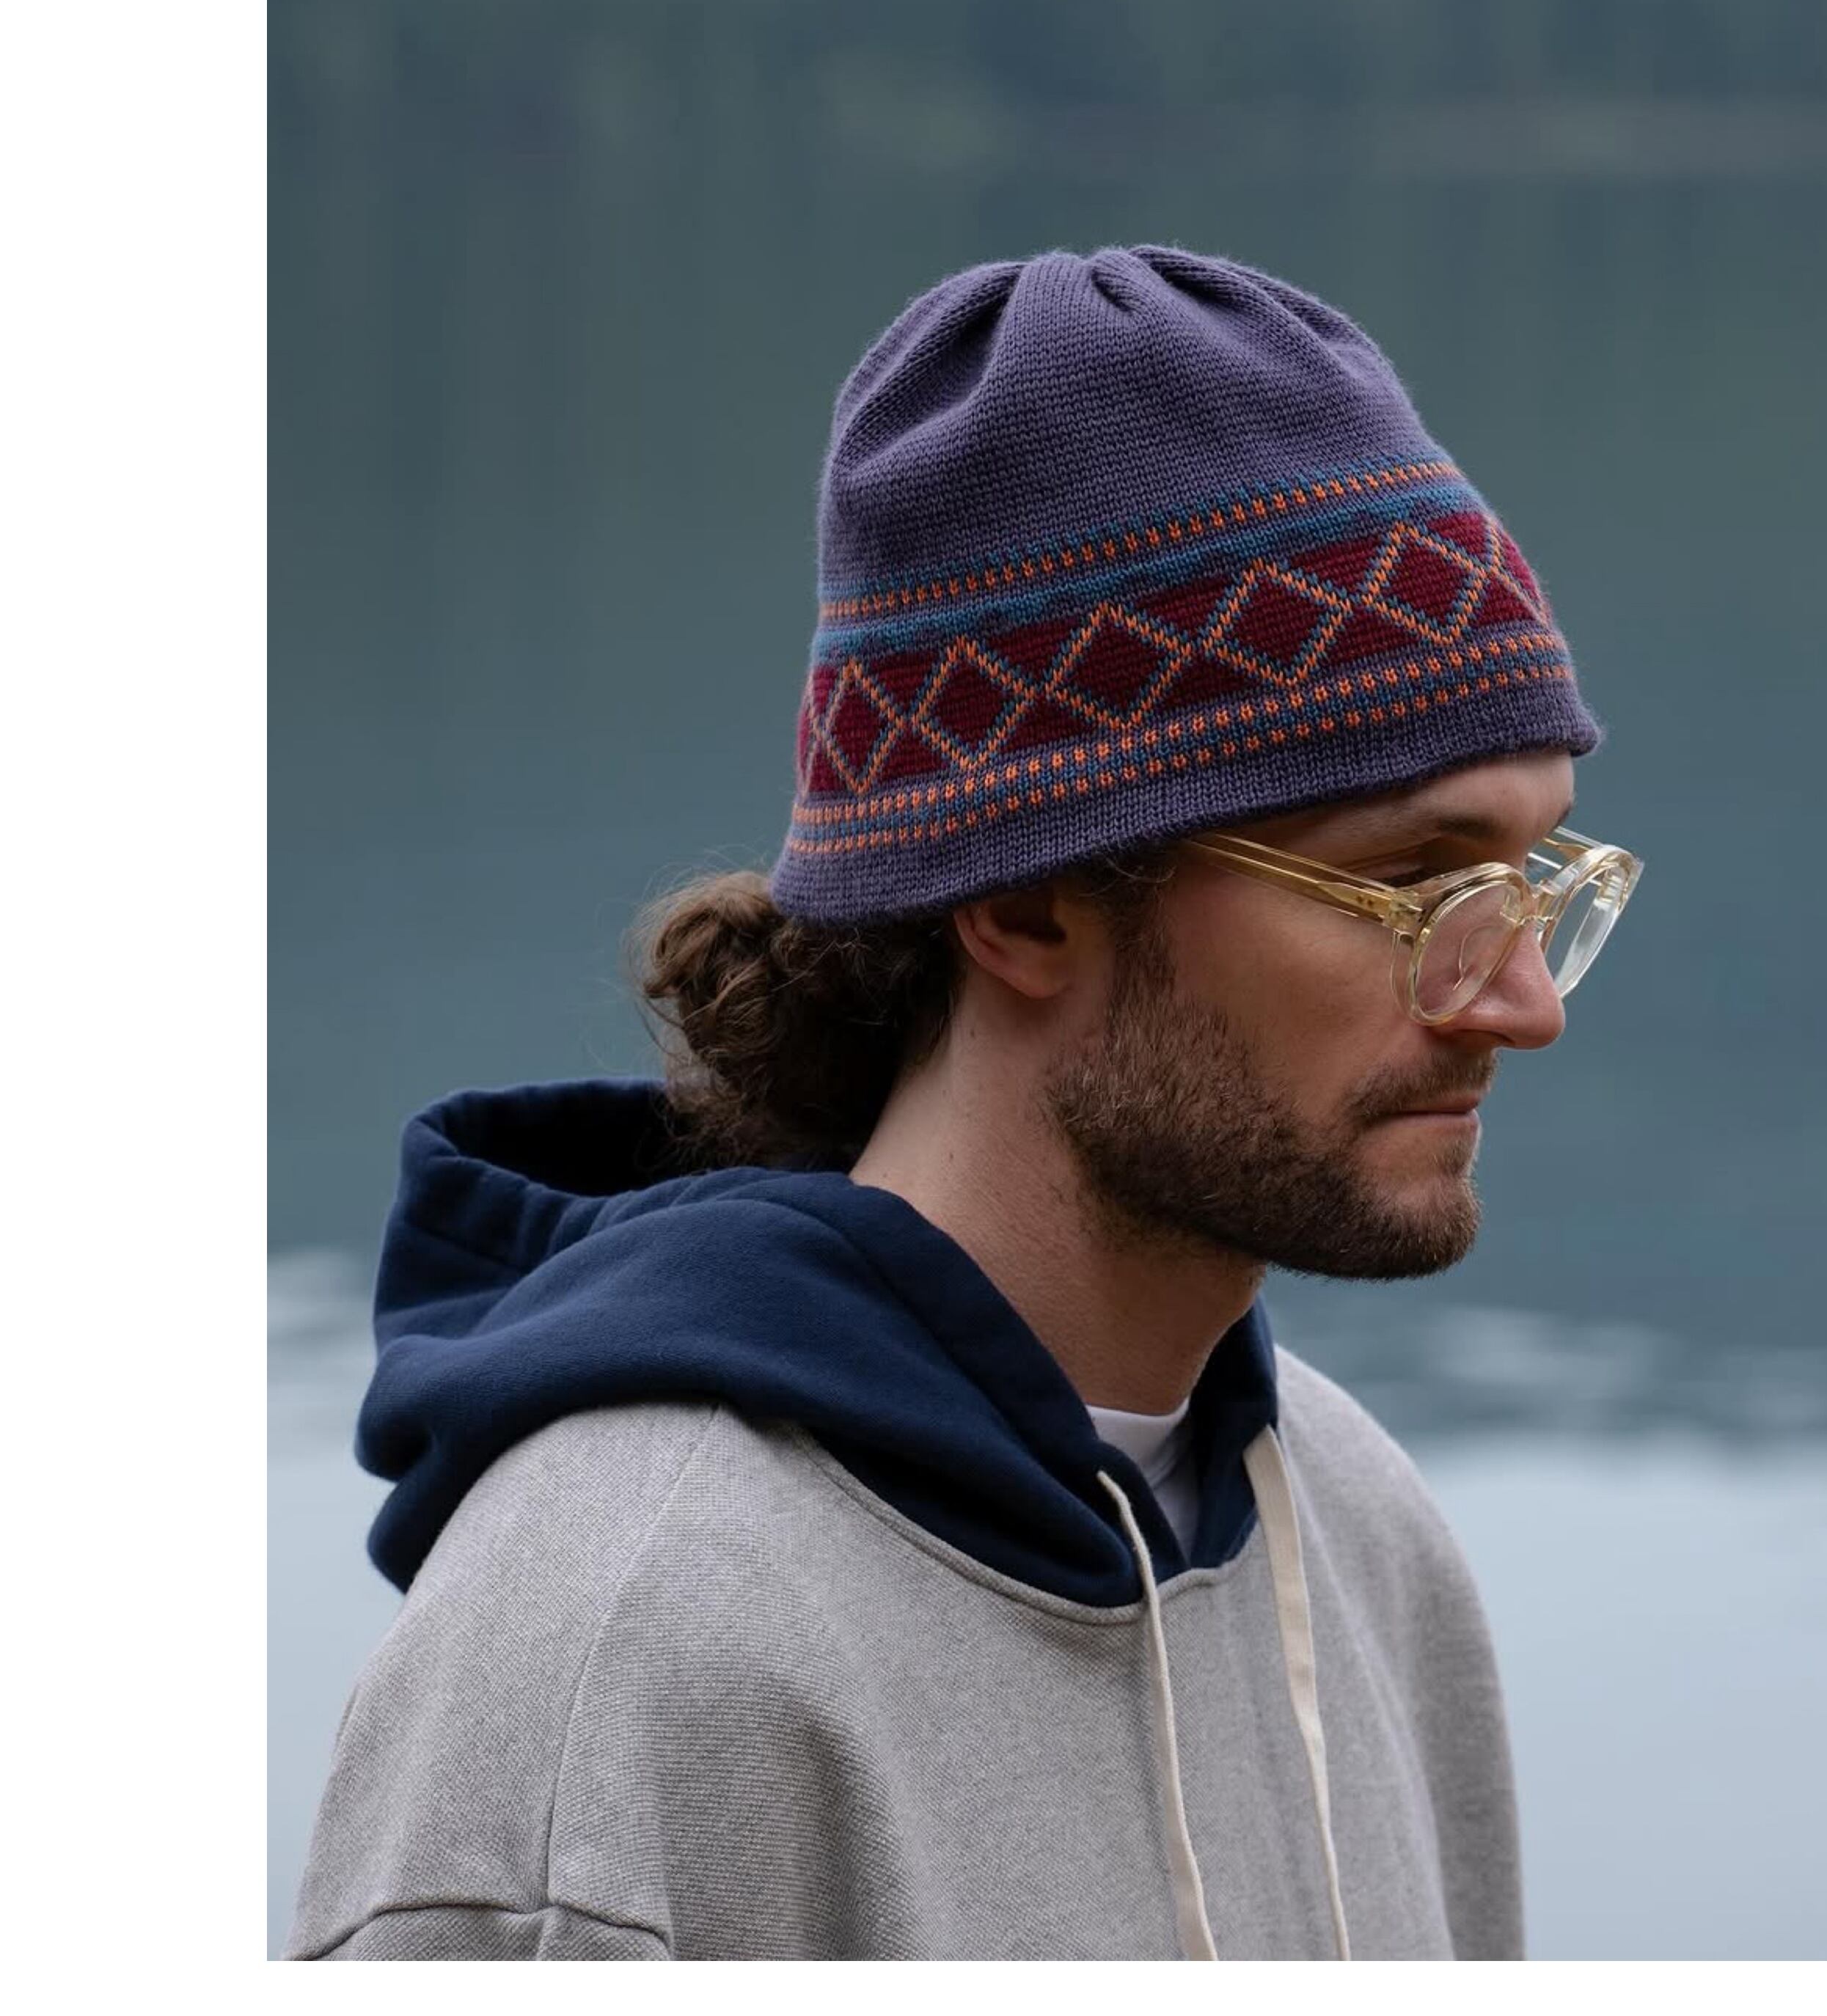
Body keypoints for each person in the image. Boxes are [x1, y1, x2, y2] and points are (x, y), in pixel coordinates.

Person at [285, 245, 1641, 1962]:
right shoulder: (618, 1658)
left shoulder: (1363, 1542)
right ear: (1021, 907)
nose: (1522, 1001)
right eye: (1417, 889)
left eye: (1535, 882)